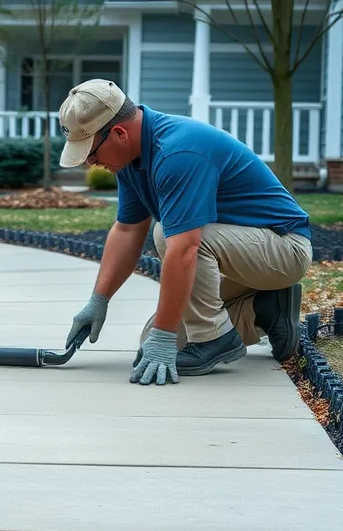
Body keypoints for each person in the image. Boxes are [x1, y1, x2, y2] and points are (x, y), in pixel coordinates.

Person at [59, 79, 313, 387]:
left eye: (91, 152)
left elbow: (185, 249)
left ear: (119, 133)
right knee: (149, 345)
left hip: (283, 249)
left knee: (168, 234)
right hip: (240, 257)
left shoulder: (179, 152)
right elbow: (127, 230)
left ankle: (214, 338)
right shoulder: (130, 160)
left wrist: (165, 336)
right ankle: (264, 309)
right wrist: (98, 300)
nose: (90, 162)